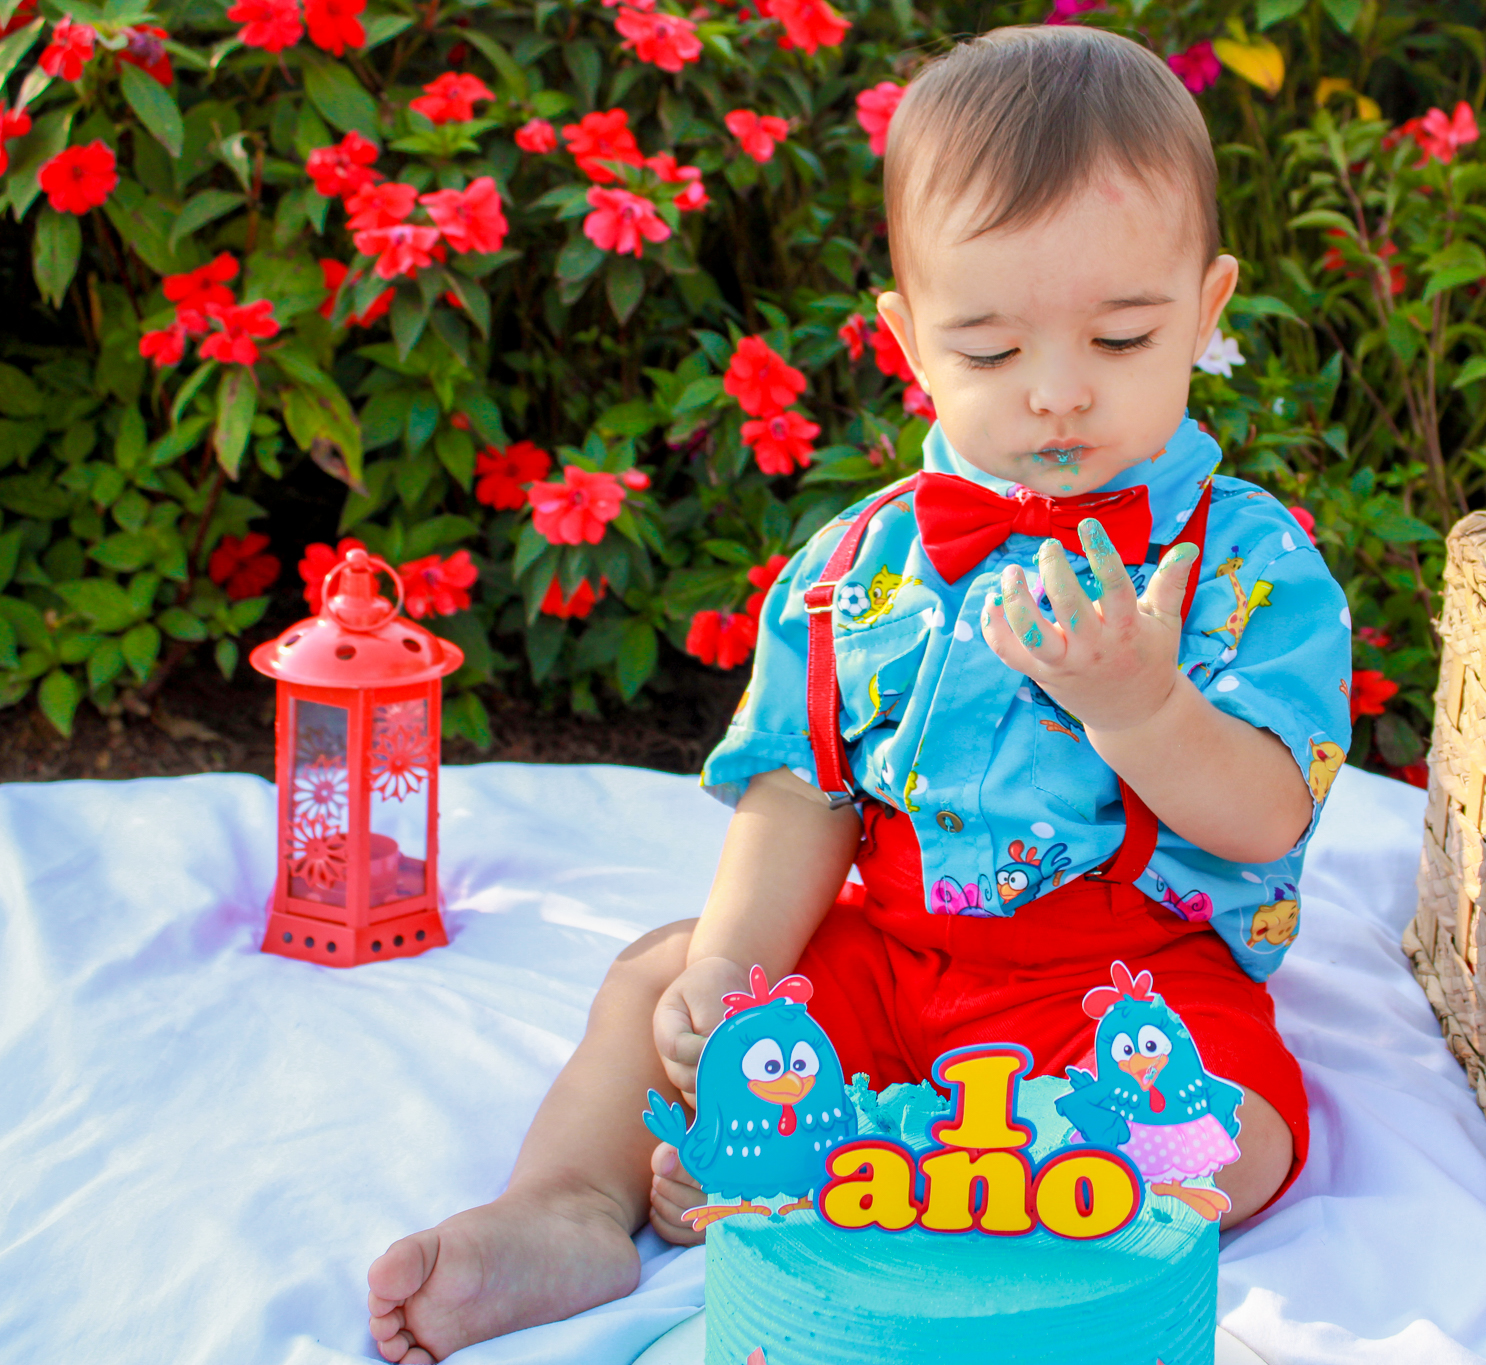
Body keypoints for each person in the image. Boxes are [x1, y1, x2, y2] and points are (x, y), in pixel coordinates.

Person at [366, 24, 1353, 1363]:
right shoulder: (860, 565)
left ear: (1208, 305)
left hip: (1120, 985)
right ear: (906, 339)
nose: (1060, 393)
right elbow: (799, 788)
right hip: (895, 953)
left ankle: (884, 1173)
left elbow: (1264, 818)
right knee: (662, 970)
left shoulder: (1249, 564)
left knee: (1232, 1125)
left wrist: (1145, 710)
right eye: (993, 352)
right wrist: (731, 971)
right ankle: (573, 1204)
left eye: (1123, 337)